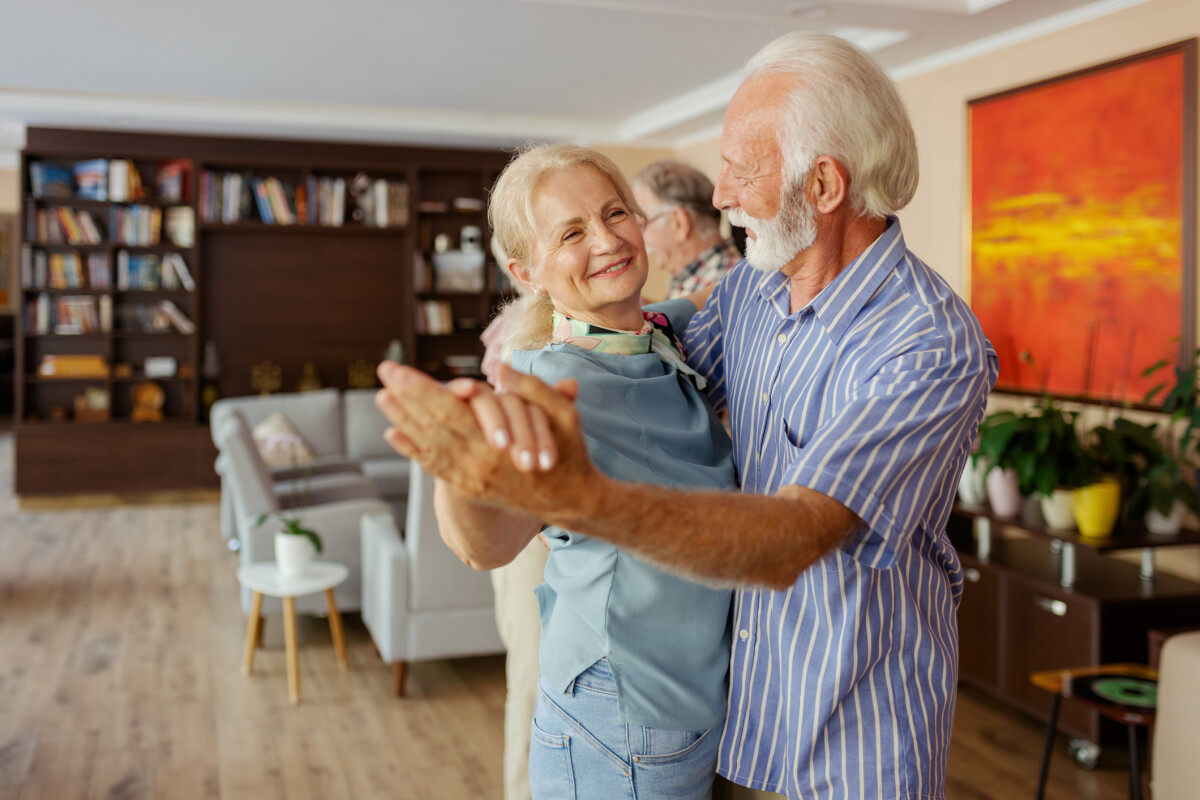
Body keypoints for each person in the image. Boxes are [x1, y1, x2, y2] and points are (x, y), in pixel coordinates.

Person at [377, 30, 998, 800]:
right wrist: (488, 427)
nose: (722, 197)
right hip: (725, 727)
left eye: (739, 170)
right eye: (572, 229)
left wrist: (584, 496)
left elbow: (794, 540)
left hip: (848, 744)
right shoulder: (750, 296)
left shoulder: (928, 345)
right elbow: (626, 354)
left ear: (825, 186)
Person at [413, 143, 739, 800]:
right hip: (617, 717)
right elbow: (487, 545)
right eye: (571, 233)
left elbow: (734, 291)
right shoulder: (544, 385)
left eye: (615, 213)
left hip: (690, 704)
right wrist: (459, 475)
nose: (607, 240)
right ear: (527, 272)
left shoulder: (667, 332)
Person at [631, 160, 742, 299]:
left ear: (679, 223)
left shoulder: (725, 286)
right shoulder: (692, 277)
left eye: (642, 225)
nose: (641, 237)